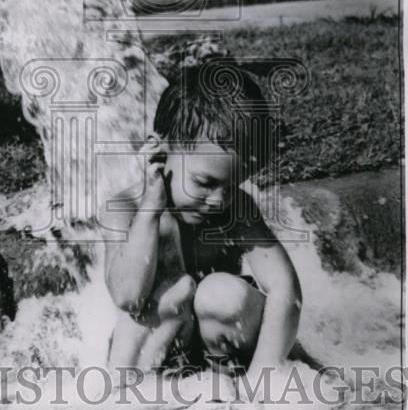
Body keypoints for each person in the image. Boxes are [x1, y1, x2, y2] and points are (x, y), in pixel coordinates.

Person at [104, 46, 302, 386]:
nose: (219, 200)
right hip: (161, 354)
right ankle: (121, 408)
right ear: (160, 152)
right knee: (176, 291)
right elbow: (127, 297)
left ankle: (230, 387)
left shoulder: (235, 210)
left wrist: (262, 383)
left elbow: (286, 290)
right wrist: (152, 207)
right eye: (204, 182)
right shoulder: (124, 209)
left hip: (224, 352)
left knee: (220, 292)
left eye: (232, 185)